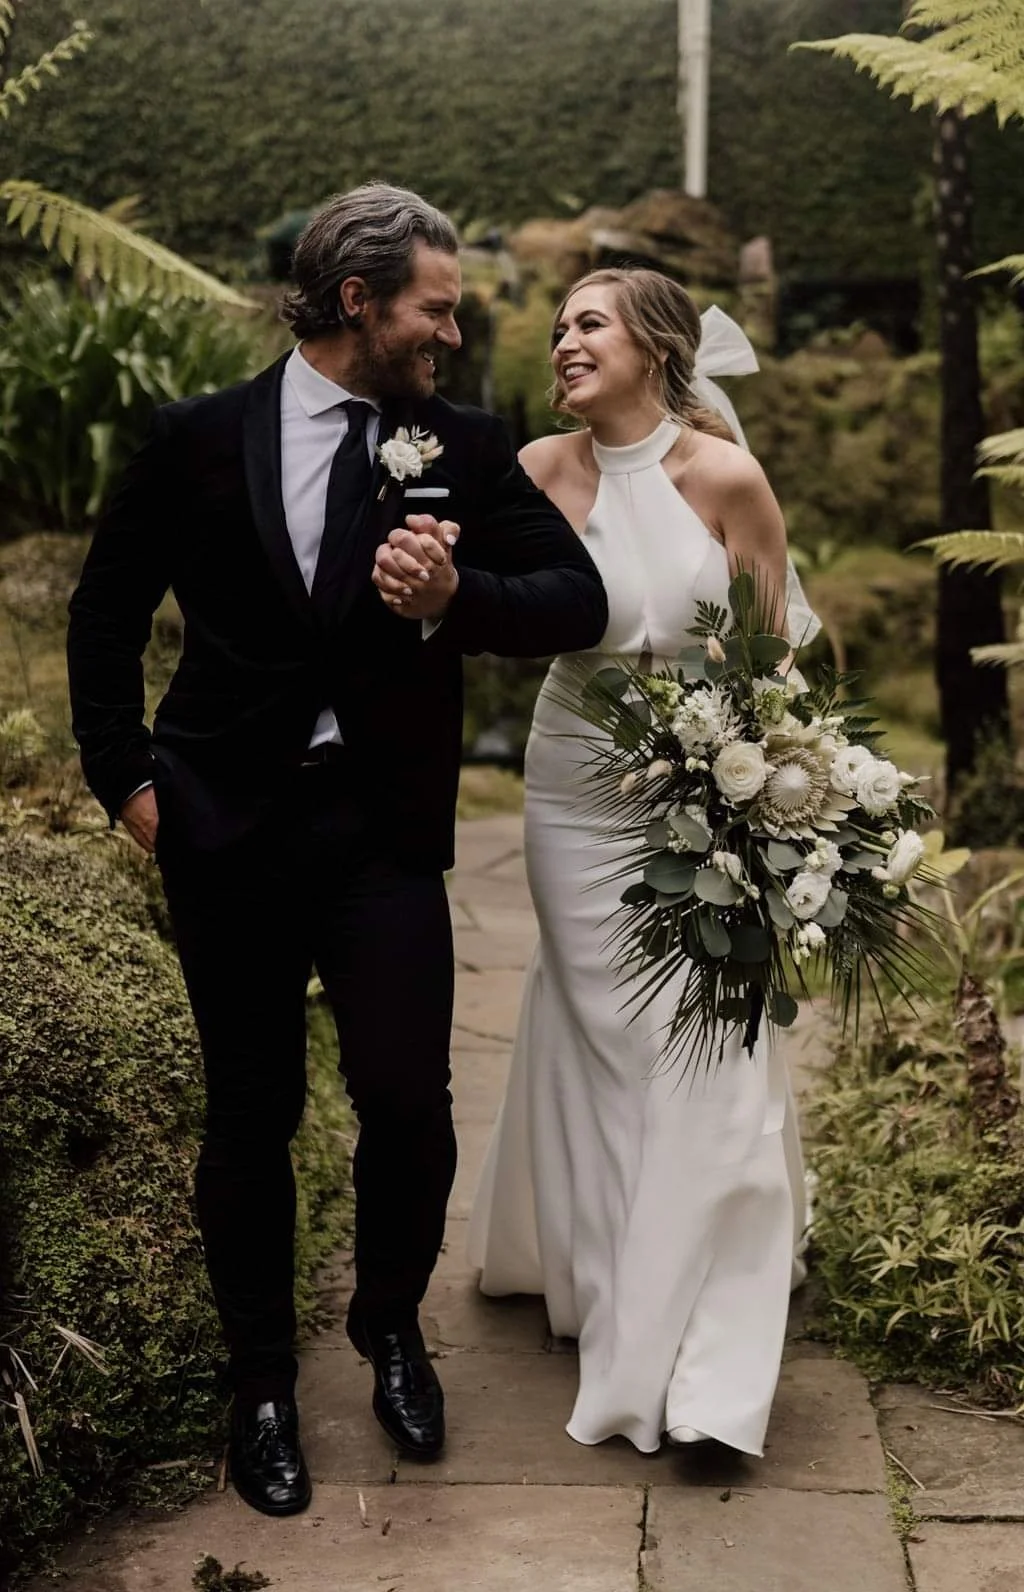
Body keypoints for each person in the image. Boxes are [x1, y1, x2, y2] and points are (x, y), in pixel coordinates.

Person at [66, 184, 607, 1517]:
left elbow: (574, 599)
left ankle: (387, 1323)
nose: (456, 323)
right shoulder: (195, 438)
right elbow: (103, 617)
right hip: (224, 826)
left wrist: (454, 600)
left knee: (411, 1107)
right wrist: (130, 784)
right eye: (436, 302)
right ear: (357, 302)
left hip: (380, 832)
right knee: (250, 1113)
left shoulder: (460, 442)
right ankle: (260, 1382)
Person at [458, 268, 811, 1458]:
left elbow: (780, 657)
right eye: (556, 327)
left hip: (717, 783)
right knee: (610, 1030)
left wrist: (784, 800)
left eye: (587, 323)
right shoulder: (535, 474)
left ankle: (708, 1366)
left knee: (708, 1044)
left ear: (655, 346)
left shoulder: (726, 478)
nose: (563, 341)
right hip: (575, 782)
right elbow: (486, 607)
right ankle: (609, 1280)